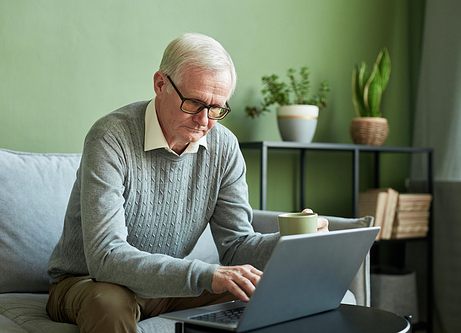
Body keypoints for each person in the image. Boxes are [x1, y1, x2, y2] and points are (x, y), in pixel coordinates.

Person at [46, 32, 329, 333]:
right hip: (87, 282)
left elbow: (236, 246)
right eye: (194, 103)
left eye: (217, 109)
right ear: (160, 84)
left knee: (264, 288)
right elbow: (106, 257)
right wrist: (206, 275)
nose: (205, 121)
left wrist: (291, 243)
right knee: (109, 303)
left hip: (164, 289)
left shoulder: (224, 148)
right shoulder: (111, 137)